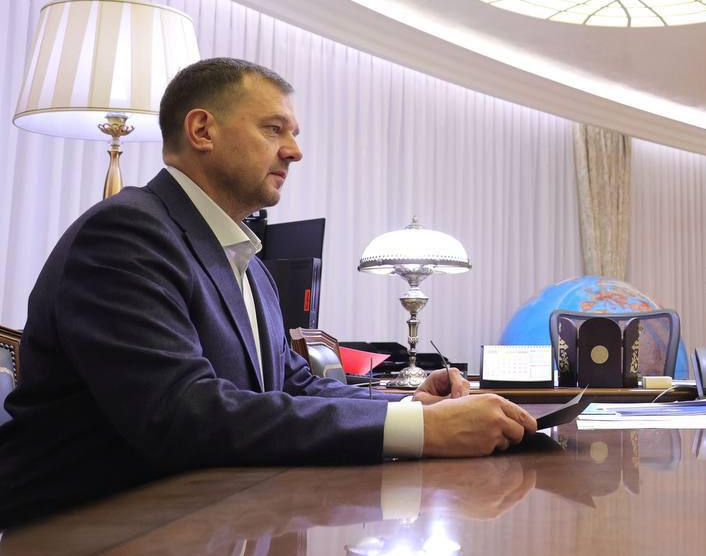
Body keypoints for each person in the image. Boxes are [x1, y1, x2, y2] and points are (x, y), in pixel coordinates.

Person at [0, 57, 535, 524]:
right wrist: (421, 431)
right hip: (82, 542)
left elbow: (292, 384)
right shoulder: (126, 233)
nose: (294, 151)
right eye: (274, 129)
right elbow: (181, 414)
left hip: (199, 526)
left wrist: (412, 405)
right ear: (202, 130)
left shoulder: (249, 263)